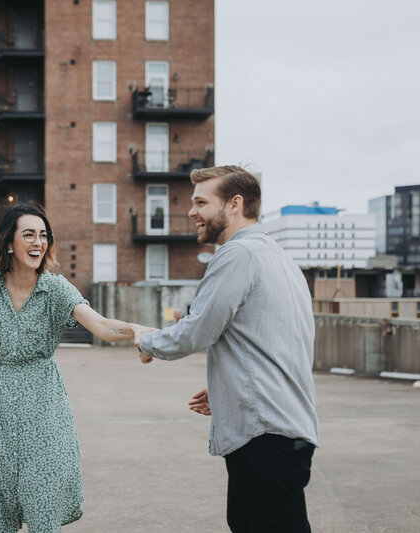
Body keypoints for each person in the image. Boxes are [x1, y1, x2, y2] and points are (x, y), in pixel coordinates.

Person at [135, 165, 320, 533]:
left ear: (235, 204)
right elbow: (281, 345)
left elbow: (196, 331)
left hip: (263, 435)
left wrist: (146, 341)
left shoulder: (238, 255)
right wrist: (227, 387)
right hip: (286, 428)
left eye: (201, 202)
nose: (192, 212)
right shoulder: (282, 260)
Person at [0, 203, 143, 533]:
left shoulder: (55, 288)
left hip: (44, 419)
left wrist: (137, 331)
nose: (38, 242)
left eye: (43, 236)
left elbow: (100, 325)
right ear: (9, 243)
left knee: (44, 516)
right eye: (28, 234)